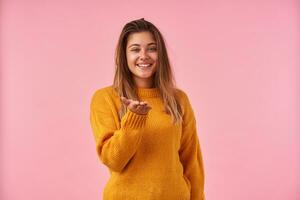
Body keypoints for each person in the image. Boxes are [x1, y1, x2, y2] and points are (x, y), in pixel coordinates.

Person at [90, 18, 206, 200]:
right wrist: (134, 118)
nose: (144, 55)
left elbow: (191, 162)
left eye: (152, 48)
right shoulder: (105, 98)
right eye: (135, 49)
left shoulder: (179, 99)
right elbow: (113, 160)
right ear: (124, 56)